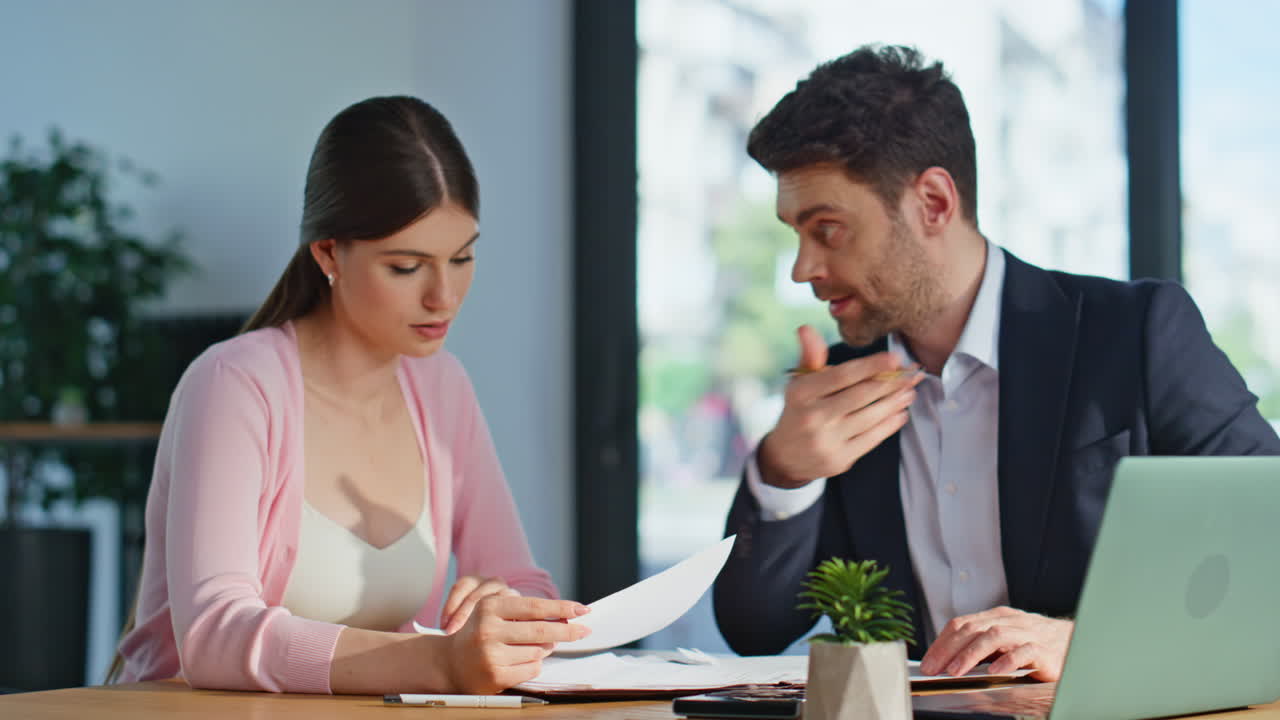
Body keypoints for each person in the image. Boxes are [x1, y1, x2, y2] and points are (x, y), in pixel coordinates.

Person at [712, 45, 1280, 682]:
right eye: (796, 232)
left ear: (933, 202)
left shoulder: (1135, 332)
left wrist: (1088, 644)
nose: (803, 269)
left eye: (827, 229)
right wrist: (785, 473)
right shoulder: (838, 393)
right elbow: (752, 629)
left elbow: (1270, 542)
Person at [107, 96, 589, 694]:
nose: (444, 296)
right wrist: (439, 661)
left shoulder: (443, 389)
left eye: (462, 257)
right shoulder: (234, 385)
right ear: (329, 252)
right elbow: (214, 633)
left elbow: (526, 581)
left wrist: (505, 610)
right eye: (407, 267)